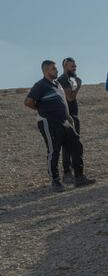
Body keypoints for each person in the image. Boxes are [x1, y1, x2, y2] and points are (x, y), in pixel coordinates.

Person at [24, 60, 96, 191]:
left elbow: (63, 102)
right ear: (46, 71)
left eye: (56, 68)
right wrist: (42, 109)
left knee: (76, 145)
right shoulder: (40, 85)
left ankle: (79, 177)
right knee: (54, 150)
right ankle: (55, 181)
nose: (57, 71)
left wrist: (68, 117)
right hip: (49, 122)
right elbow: (28, 102)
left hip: (64, 121)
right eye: (53, 69)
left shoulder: (57, 84)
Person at [56, 57, 82, 183]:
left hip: (73, 115)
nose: (74, 68)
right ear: (65, 67)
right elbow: (70, 98)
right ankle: (67, 172)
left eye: (75, 65)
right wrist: (78, 86)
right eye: (72, 66)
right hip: (67, 116)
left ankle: (75, 171)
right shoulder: (62, 80)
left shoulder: (71, 80)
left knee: (75, 143)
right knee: (68, 144)